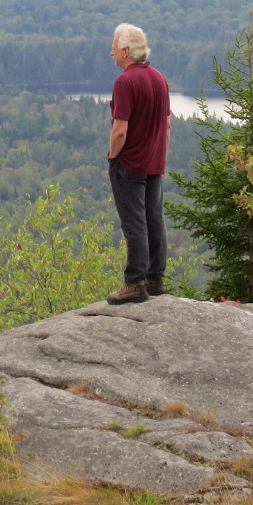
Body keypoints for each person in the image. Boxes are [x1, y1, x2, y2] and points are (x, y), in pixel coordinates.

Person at [105, 23, 171, 304]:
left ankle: (134, 283)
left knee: (134, 222)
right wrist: (161, 157)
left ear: (127, 51)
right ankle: (155, 279)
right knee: (154, 219)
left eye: (114, 48)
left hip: (129, 164)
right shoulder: (159, 78)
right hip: (154, 162)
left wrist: (113, 155)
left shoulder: (125, 82)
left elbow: (120, 129)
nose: (111, 53)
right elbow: (166, 125)